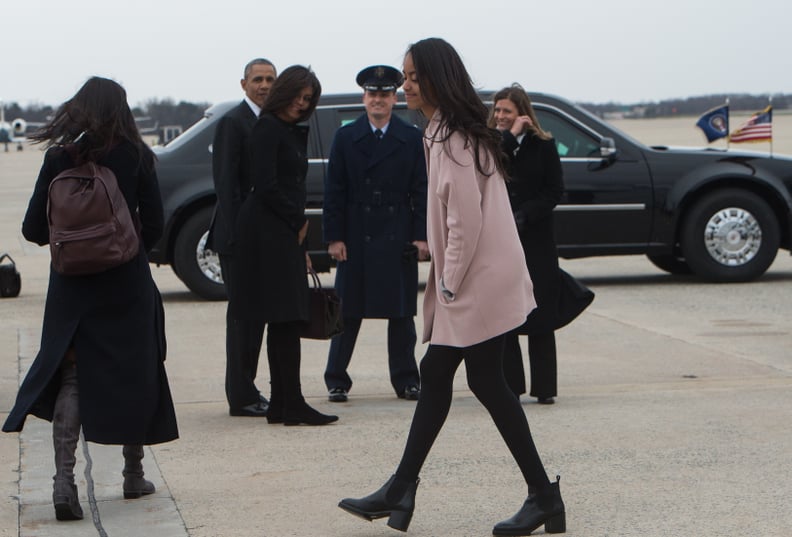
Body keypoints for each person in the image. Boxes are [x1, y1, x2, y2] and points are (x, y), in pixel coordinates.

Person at [338, 39, 565, 536]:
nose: (405, 85)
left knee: (464, 377)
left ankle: (533, 495)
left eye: (413, 76)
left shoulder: (454, 138)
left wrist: (447, 284)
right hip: (480, 274)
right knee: (462, 378)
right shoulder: (444, 130)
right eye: (404, 76)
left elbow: (464, 221)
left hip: (478, 278)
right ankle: (413, 490)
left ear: (438, 78)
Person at [2, 77, 179, 521]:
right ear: (121, 110)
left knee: (73, 381)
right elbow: (154, 226)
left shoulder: (58, 158)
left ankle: (64, 482)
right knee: (136, 371)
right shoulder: (136, 156)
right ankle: (133, 474)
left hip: (72, 290)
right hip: (126, 285)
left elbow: (32, 232)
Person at [227, 65, 337, 426]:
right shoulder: (268, 127)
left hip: (280, 229)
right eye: (297, 96)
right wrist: (299, 220)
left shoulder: (285, 129)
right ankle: (290, 403)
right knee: (285, 316)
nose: (301, 104)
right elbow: (266, 184)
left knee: (286, 320)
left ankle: (284, 403)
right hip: (269, 231)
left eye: (308, 100)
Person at [322, 64, 428, 403]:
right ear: (363, 98)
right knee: (347, 312)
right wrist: (334, 237)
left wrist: (421, 236)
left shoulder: (411, 138)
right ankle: (336, 379)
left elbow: (421, 190)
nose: (378, 100)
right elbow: (334, 191)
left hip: (396, 232)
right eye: (372, 94)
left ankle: (407, 379)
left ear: (394, 98)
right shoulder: (345, 136)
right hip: (356, 233)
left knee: (401, 314)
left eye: (384, 94)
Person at [488, 84, 594, 404]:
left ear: (522, 112)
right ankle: (512, 386)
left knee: (541, 314)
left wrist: (526, 215)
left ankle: (545, 388)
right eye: (498, 110)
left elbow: (553, 190)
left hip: (536, 239)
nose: (500, 116)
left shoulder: (544, 145)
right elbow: (489, 169)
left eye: (506, 111)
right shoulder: (492, 142)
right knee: (507, 313)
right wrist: (508, 135)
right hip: (502, 239)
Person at [207, 58, 277, 417]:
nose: (264, 85)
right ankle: (241, 394)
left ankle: (250, 387)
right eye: (257, 80)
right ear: (243, 84)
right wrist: (238, 238)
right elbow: (227, 186)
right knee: (242, 320)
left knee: (257, 318)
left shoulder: (271, 121)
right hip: (239, 241)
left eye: (269, 79)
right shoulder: (233, 123)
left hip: (264, 240)